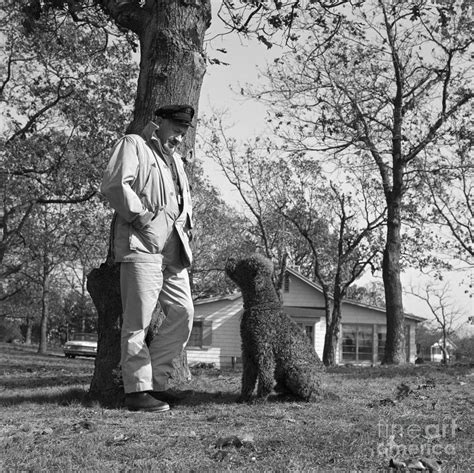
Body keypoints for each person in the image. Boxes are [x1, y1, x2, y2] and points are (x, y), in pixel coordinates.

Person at [100, 105, 195, 412]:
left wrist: (188, 225)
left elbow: (180, 201)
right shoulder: (133, 145)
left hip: (174, 250)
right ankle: (137, 392)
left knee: (184, 313)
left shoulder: (177, 162)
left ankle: (155, 382)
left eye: (184, 133)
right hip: (140, 247)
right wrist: (139, 216)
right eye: (176, 130)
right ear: (160, 123)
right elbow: (114, 185)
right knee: (137, 323)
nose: (179, 138)